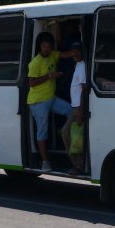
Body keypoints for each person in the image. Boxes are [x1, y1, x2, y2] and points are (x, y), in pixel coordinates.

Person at [27, 32, 76, 172]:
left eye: (48, 46)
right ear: (40, 47)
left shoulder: (53, 54)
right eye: (44, 47)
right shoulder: (35, 63)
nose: (46, 49)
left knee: (71, 111)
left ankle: (64, 131)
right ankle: (45, 162)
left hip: (50, 98)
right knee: (43, 131)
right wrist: (50, 76)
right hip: (38, 101)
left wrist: (75, 52)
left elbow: (64, 55)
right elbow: (31, 83)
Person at [61, 41, 87, 175]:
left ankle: (78, 166)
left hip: (78, 108)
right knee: (74, 135)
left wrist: (80, 111)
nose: (75, 53)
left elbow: (83, 90)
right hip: (75, 106)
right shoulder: (78, 65)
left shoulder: (82, 66)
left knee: (72, 135)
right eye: (74, 51)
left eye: (78, 51)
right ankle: (77, 164)